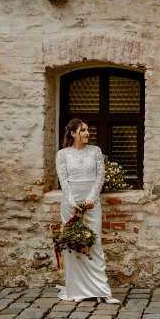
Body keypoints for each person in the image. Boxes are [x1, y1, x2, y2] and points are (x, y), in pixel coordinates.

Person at [55, 118, 120, 304]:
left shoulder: (95, 151)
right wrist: (71, 201)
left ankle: (104, 291)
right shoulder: (62, 154)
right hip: (70, 204)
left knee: (95, 244)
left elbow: (100, 176)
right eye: (82, 130)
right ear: (73, 133)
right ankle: (76, 289)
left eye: (87, 130)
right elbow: (63, 179)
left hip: (92, 202)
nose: (87, 133)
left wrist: (91, 198)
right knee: (73, 245)